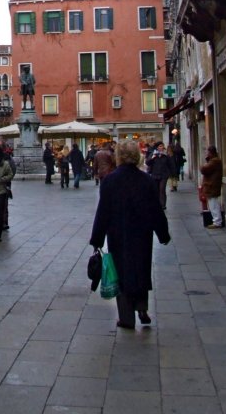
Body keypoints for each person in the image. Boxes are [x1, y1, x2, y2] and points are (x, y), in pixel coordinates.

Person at [89, 140, 171, 329]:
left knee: (122, 271)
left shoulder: (110, 181)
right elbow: (156, 210)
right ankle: (142, 307)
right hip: (142, 233)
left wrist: (97, 239)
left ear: (118, 156)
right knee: (141, 268)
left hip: (119, 233)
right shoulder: (147, 180)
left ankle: (126, 317)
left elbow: (103, 212)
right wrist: (163, 234)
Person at [200, 146, 224, 228]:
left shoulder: (214, 161)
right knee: (212, 204)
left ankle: (217, 222)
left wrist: (204, 163)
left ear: (211, 153)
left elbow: (204, 169)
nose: (206, 153)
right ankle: (216, 221)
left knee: (213, 204)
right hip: (212, 185)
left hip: (212, 185)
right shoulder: (214, 161)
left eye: (207, 152)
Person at [146, 142, 170, 209]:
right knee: (156, 190)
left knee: (162, 189)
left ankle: (163, 205)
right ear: (157, 147)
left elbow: (170, 164)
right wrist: (152, 158)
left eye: (162, 146)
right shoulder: (153, 154)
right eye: (160, 146)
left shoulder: (166, 155)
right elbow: (147, 163)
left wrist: (170, 173)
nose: (161, 147)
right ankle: (157, 204)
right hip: (155, 174)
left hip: (164, 175)